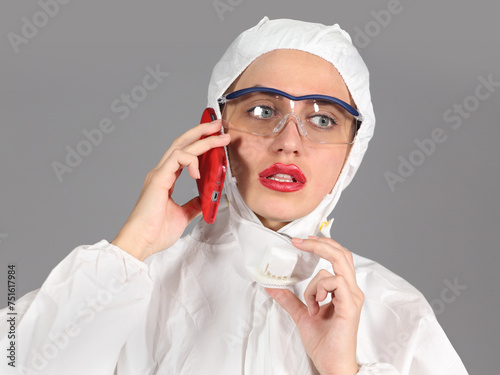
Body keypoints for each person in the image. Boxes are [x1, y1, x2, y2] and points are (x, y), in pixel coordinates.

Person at [0, 17, 468, 375]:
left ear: (353, 151)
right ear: (215, 129)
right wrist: (131, 249)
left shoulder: (395, 312)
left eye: (323, 119)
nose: (289, 141)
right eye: (263, 110)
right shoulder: (129, 286)